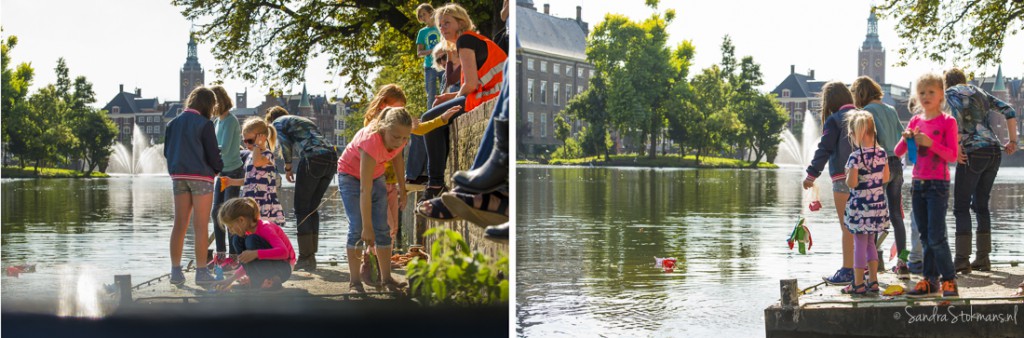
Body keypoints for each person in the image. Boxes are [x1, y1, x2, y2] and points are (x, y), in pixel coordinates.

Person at [417, 3, 507, 202]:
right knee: (439, 119)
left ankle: (435, 184)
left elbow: (472, 84)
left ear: (461, 22)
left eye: (447, 23)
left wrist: (452, 98)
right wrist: (447, 97)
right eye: (440, 25)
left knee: (428, 119)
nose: (442, 28)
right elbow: (472, 84)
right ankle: (437, 182)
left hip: (490, 97)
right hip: (492, 94)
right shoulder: (472, 40)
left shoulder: (465, 40)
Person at [944, 68, 1019, 274]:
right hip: (994, 151)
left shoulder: (951, 92)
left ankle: (961, 260)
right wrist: (1013, 141)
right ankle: (983, 259)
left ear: (946, 83)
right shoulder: (980, 92)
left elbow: (955, 121)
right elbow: (1010, 111)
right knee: (981, 205)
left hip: (972, 152)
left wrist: (957, 146)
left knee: (961, 206)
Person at [365, 85, 461, 243]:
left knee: (393, 226)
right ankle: (369, 259)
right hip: (376, 181)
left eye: (402, 109)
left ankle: (385, 260)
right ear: (383, 104)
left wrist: (442, 118)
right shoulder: (372, 124)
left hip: (391, 181)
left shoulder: (398, 121)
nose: (399, 113)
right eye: (396, 108)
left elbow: (422, 129)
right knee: (383, 224)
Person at [895, 73, 960, 298]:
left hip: (938, 185)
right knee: (924, 236)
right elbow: (898, 152)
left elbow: (952, 156)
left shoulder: (948, 122)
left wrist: (931, 143)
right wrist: (906, 138)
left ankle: (949, 280)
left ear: (941, 94)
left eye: (931, 92)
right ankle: (929, 280)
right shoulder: (915, 121)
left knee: (936, 236)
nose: (926, 96)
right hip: (918, 184)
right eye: (922, 92)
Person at [337, 107, 412, 293]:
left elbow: (397, 160)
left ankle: (386, 279)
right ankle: (355, 282)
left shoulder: (399, 137)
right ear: (384, 129)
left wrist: (403, 189)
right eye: (396, 137)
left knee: (383, 229)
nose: (401, 142)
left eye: (405, 138)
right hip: (350, 176)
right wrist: (367, 227)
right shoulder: (371, 141)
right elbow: (364, 187)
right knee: (357, 227)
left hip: (376, 174)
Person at [164, 86, 223, 285]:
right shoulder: (205, 124)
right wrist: (218, 168)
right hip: (201, 179)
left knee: (179, 225)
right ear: (208, 105)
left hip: (178, 177)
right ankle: (201, 272)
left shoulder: (172, 123)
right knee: (200, 226)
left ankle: (175, 271)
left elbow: (167, 152)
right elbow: (213, 156)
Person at [266, 106, 338, 271]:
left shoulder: (277, 123)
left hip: (313, 158)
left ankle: (306, 257)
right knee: (312, 209)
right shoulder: (301, 121)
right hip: (331, 158)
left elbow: (284, 143)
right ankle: (311, 257)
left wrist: (288, 166)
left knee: (301, 209)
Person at [851, 76, 909, 279]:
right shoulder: (891, 110)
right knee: (896, 215)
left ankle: (872, 264)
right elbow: (903, 136)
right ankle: (903, 262)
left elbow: (868, 140)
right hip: (896, 164)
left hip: (878, 165)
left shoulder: (866, 113)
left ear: (860, 94)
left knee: (872, 214)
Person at [803, 81, 858, 285]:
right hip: (868, 179)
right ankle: (866, 271)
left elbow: (824, 149)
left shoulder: (835, 120)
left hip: (842, 178)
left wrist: (811, 175)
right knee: (864, 226)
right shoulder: (864, 117)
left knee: (847, 227)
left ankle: (847, 271)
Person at [840, 110, 890, 294]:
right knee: (871, 243)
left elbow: (852, 183)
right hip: (877, 207)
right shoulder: (882, 153)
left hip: (860, 208)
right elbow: (885, 177)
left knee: (859, 244)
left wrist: (848, 176)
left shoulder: (855, 157)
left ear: (855, 134)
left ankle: (858, 283)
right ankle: (874, 281)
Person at [213, 197, 295, 291]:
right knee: (236, 240)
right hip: (272, 266)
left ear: (241, 220)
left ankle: (271, 280)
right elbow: (248, 260)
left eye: (231, 226)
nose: (230, 231)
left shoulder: (265, 228)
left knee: (251, 240)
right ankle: (256, 280)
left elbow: (284, 253)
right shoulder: (247, 233)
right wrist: (231, 279)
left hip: (283, 269)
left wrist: (256, 253)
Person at [223, 118, 285, 227]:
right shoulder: (250, 156)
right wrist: (231, 182)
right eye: (244, 141)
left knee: (261, 231)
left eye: (250, 141)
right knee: (248, 231)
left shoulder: (267, 155)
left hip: (263, 202)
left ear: (262, 138)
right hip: (250, 201)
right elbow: (249, 180)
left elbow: (257, 163)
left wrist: (257, 145)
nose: (247, 145)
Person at [209, 85, 243, 265]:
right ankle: (221, 255)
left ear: (219, 102)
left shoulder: (231, 121)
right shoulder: (217, 122)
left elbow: (226, 148)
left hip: (234, 171)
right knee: (216, 213)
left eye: (212, 103)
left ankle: (235, 256)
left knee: (229, 214)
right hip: (221, 173)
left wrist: (207, 152)